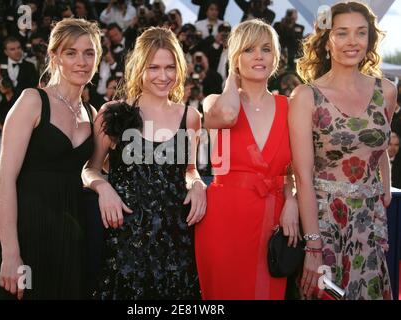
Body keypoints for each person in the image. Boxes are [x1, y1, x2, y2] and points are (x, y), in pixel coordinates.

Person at [82, 26, 206, 299]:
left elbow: (189, 170)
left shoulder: (191, 117)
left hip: (175, 240)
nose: (163, 77)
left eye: (170, 67)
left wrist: (198, 185)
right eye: (153, 68)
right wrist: (103, 188)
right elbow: (89, 168)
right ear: (139, 68)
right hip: (124, 237)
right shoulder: (111, 113)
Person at [0, 18, 102, 300]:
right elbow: (5, 180)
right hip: (28, 230)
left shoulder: (92, 113)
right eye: (71, 52)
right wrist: (11, 253)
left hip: (71, 236)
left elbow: (93, 171)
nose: (82, 61)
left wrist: (102, 186)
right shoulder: (32, 101)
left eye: (89, 53)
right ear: (54, 56)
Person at [290, 1, 397, 300]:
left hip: (370, 224)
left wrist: (384, 182)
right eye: (342, 33)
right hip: (324, 222)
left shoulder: (386, 91)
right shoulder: (306, 96)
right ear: (326, 41)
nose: (352, 41)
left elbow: (378, 142)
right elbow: (303, 174)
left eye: (361, 33)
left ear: (369, 40)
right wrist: (313, 246)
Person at [195, 19, 299, 299]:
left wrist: (292, 199)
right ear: (235, 57)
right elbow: (228, 116)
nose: (258, 56)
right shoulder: (215, 102)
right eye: (248, 49)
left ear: (275, 57)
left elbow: (293, 171)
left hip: (273, 219)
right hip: (224, 220)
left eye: (266, 49)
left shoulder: (288, 107)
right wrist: (232, 77)